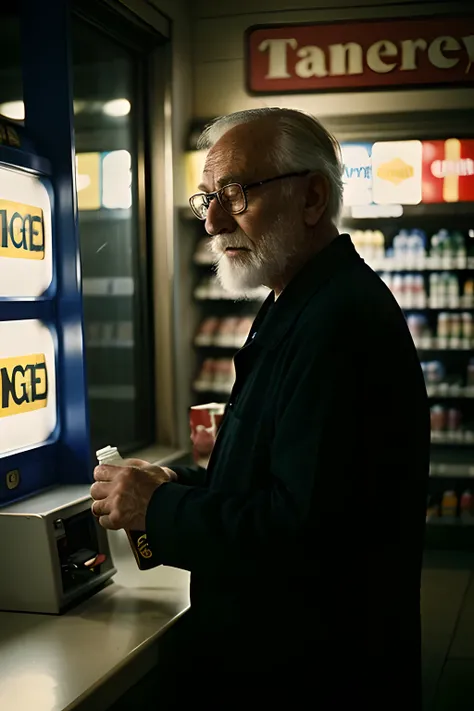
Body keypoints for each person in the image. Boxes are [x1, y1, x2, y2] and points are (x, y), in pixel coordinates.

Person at [90, 108, 430, 710]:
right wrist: (174, 479)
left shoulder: (337, 325)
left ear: (312, 197)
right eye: (207, 198)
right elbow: (275, 477)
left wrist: (161, 509)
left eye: (236, 192)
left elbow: (301, 535)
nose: (214, 220)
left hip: (317, 676)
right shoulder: (297, 301)